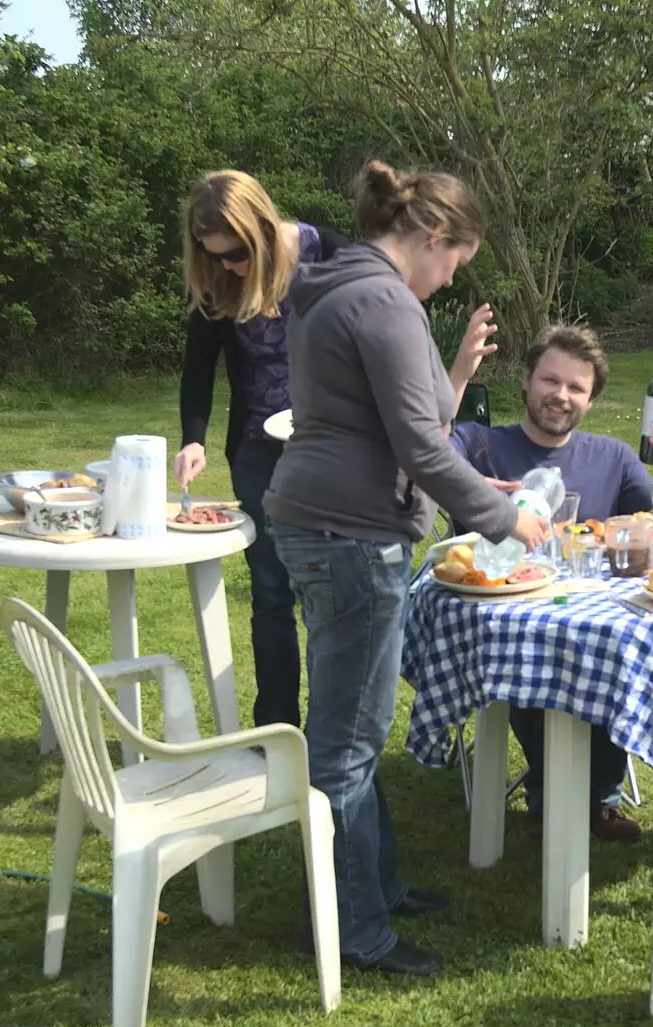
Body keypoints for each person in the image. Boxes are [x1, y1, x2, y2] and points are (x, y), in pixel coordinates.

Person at [265, 160, 551, 976]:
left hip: (321, 521)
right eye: (454, 261)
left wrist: (475, 481)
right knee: (347, 743)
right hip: (351, 535)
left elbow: (396, 426)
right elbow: (421, 446)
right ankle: (353, 929)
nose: (451, 276)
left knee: (351, 722)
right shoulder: (383, 300)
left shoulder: (336, 288)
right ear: (431, 237)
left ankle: (375, 883)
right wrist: (506, 518)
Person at [447, 323, 653, 842]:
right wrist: (459, 376)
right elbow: (425, 443)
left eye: (576, 387)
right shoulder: (482, 445)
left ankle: (587, 795)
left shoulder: (613, 458)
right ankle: (572, 794)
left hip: (597, 625)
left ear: (590, 399)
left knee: (617, 656)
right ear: (527, 381)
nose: (561, 395)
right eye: (550, 381)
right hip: (509, 622)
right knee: (538, 657)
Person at [174, 170, 348, 731]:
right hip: (256, 450)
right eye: (213, 255)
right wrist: (194, 439)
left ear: (263, 231)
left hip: (336, 448)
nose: (226, 266)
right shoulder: (218, 279)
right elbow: (199, 368)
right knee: (271, 592)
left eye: (235, 254)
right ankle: (278, 727)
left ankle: (330, 730)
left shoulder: (328, 253)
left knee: (331, 590)